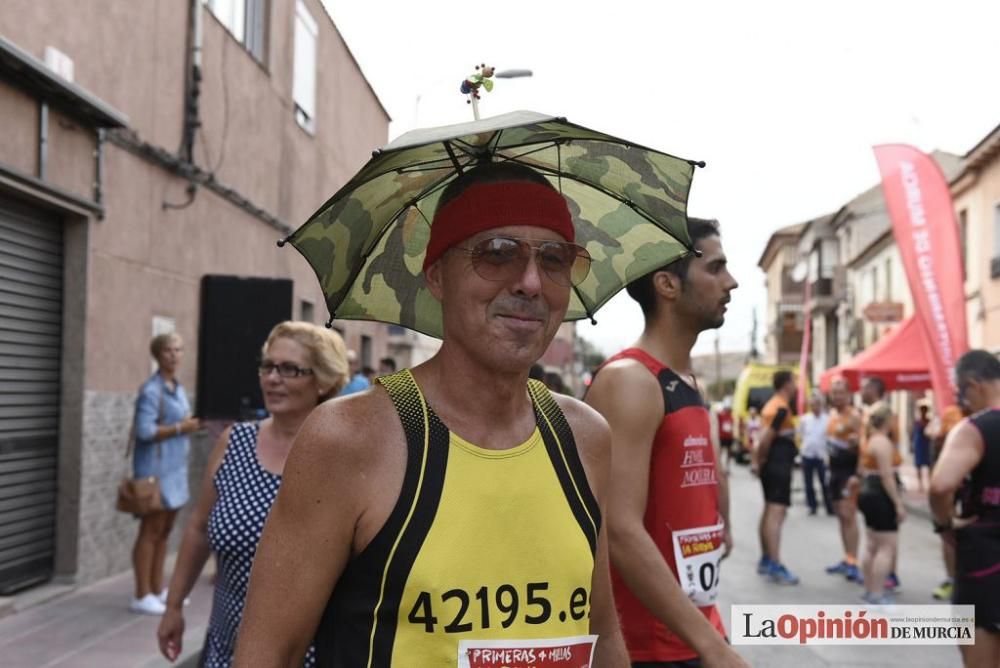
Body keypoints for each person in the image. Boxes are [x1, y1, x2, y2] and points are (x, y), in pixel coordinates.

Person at [233, 162, 629, 666]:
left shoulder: (584, 435)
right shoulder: (352, 438)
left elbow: (603, 635)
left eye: (555, 259)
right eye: (498, 253)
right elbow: (270, 654)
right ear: (438, 276)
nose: (531, 282)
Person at [585, 217, 748, 667]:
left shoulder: (686, 380)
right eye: (715, 268)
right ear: (667, 284)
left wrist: (721, 525)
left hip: (693, 632)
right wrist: (713, 647)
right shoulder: (630, 381)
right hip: (650, 649)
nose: (731, 282)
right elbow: (618, 528)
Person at [156, 321, 348, 666]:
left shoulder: (341, 457)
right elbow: (199, 529)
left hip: (312, 656)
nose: (273, 378)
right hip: (227, 649)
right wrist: (173, 606)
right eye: (268, 366)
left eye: (290, 369)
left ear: (324, 380)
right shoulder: (234, 443)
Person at [930, 349, 1000, 668]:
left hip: (985, 561)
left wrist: (946, 524)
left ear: (974, 384)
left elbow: (941, 485)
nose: (961, 400)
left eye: (962, 391)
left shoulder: (975, 428)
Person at [130, 332, 201, 615]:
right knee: (150, 531)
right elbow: (145, 431)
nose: (174, 355)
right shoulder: (151, 390)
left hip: (175, 469)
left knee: (165, 531)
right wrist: (181, 428)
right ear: (158, 355)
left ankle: (157, 587)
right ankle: (141, 592)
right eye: (168, 350)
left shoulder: (178, 388)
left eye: (178, 350)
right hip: (154, 471)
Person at [752, 370, 800, 584]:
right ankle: (774, 562)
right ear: (787, 384)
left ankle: (766, 558)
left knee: (769, 510)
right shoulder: (779, 407)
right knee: (776, 513)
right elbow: (764, 439)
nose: (797, 385)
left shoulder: (775, 405)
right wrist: (759, 461)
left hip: (775, 464)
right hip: (777, 465)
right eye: (794, 381)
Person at [857, 402, 906, 604]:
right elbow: (887, 476)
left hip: (867, 490)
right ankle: (877, 593)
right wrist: (897, 504)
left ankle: (870, 589)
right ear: (888, 421)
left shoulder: (869, 440)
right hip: (879, 493)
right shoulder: (883, 443)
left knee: (871, 545)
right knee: (886, 546)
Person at [823, 377, 864, 583]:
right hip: (834, 472)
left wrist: (857, 475)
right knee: (840, 516)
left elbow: (863, 447)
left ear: (848, 394)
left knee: (849, 517)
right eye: (834, 392)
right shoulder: (831, 415)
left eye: (841, 392)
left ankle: (854, 562)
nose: (837, 396)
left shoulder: (854, 416)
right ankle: (847, 558)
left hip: (848, 473)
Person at [927, 402, 967, 601]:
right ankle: (952, 579)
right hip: (955, 482)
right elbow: (934, 437)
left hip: (980, 485)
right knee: (948, 533)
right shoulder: (951, 414)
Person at [798, 392, 833, 516]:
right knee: (808, 482)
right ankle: (812, 506)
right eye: (812, 405)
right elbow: (800, 434)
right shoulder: (805, 419)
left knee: (825, 482)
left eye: (817, 404)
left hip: (822, 455)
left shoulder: (827, 419)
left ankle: (829, 506)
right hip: (807, 454)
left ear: (821, 405)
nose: (815, 407)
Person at [911, 403, 932, 492]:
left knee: (929, 465)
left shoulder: (929, 421)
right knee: (918, 465)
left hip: (926, 444)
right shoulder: (917, 422)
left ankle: (929, 482)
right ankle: (920, 484)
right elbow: (913, 433)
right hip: (919, 444)